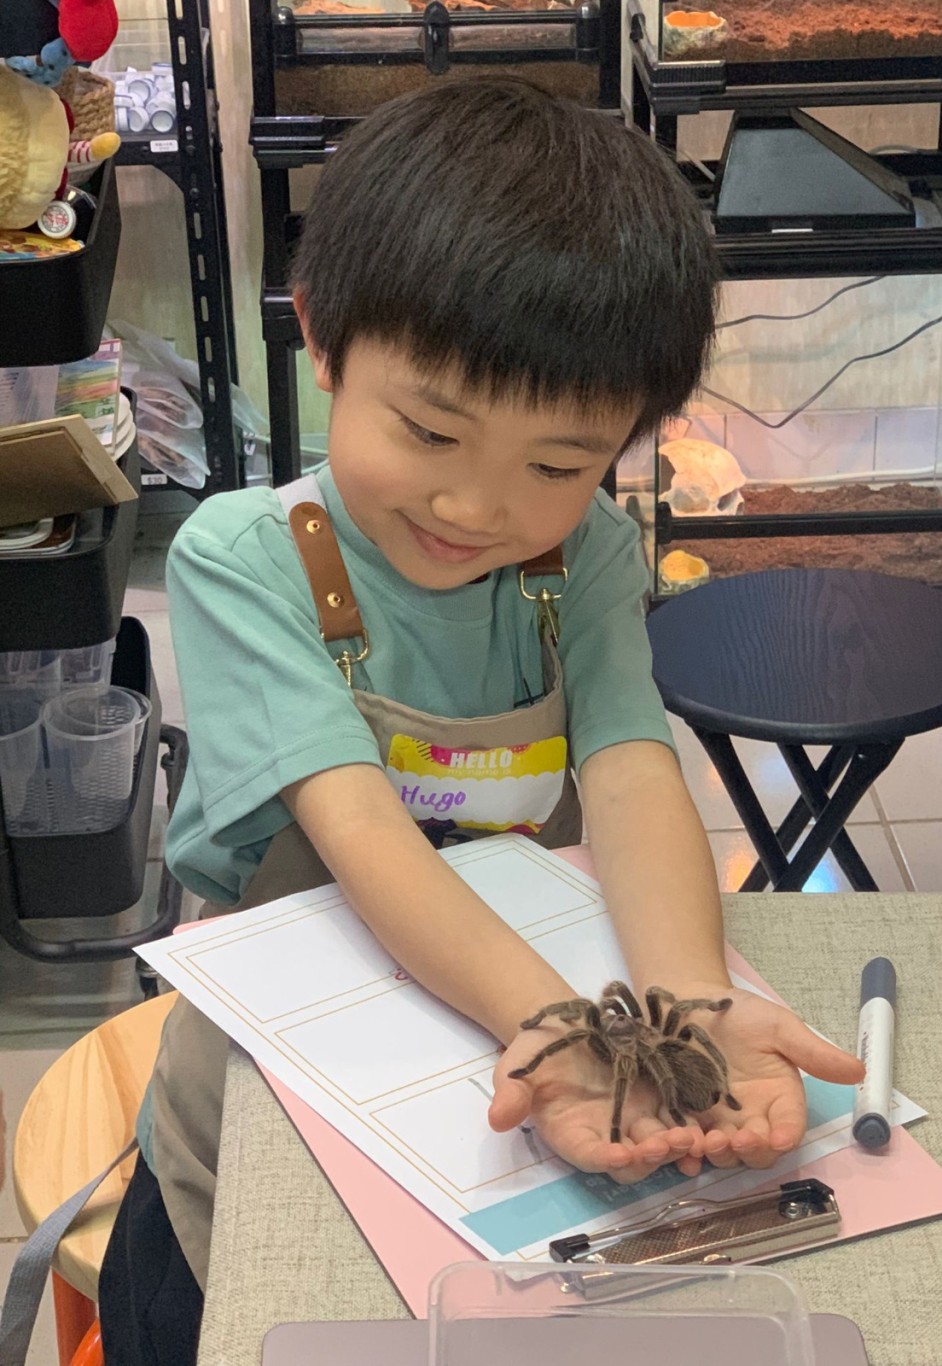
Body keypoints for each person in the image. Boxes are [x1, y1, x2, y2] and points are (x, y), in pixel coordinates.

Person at [98, 76, 863, 1364]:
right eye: (430, 431)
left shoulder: (592, 560)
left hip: (499, 1058)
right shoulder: (248, 561)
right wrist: (563, 1028)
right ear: (322, 342)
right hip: (295, 1070)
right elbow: (365, 840)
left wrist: (678, 1006)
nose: (476, 505)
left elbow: (629, 774)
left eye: (558, 466)